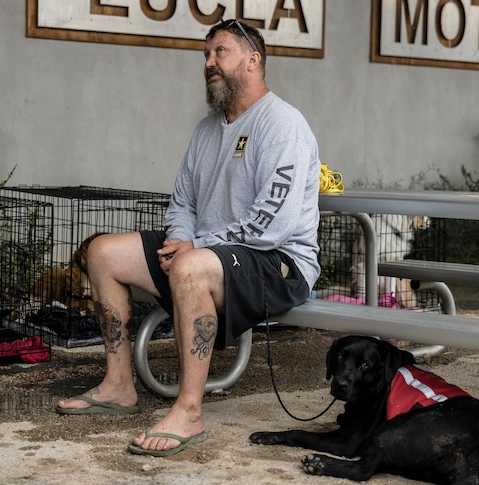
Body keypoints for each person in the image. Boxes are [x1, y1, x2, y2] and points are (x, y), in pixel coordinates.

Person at [55, 19, 321, 457]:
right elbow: (182, 202)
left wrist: (195, 247)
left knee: (191, 267)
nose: (209, 63)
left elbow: (271, 224)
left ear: (254, 60)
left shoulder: (283, 125)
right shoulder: (206, 130)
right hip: (210, 255)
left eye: (221, 52)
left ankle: (189, 410)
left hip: (279, 263)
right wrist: (179, 240)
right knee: (103, 252)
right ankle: (119, 385)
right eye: (206, 55)